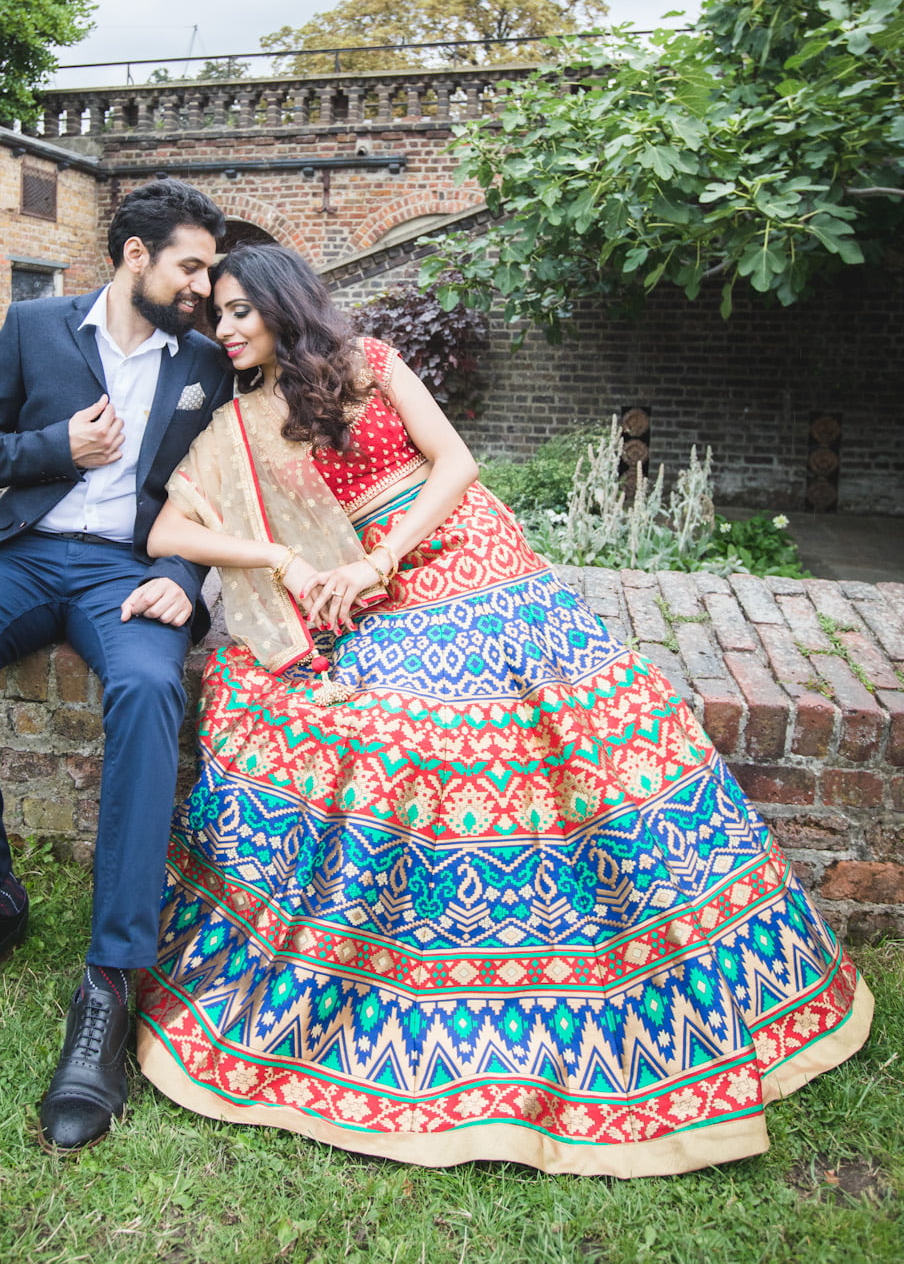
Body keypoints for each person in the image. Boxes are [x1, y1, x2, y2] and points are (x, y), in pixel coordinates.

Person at [136, 244, 872, 1177]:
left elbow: (456, 465)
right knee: (406, 736)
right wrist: (283, 562)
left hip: (461, 548)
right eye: (218, 317)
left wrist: (379, 559)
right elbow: (168, 528)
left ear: (283, 303)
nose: (226, 329)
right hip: (378, 599)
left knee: (577, 712)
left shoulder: (374, 363)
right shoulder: (241, 420)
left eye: (241, 310)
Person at [0, 179, 233, 1154]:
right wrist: (62, 447)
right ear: (135, 256)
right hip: (24, 553)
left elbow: (219, 491)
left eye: (209, 271)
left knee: (145, 686)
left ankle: (110, 978)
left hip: (130, 572)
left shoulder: (209, 362)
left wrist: (183, 573)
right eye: (191, 266)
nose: (204, 287)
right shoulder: (35, 327)